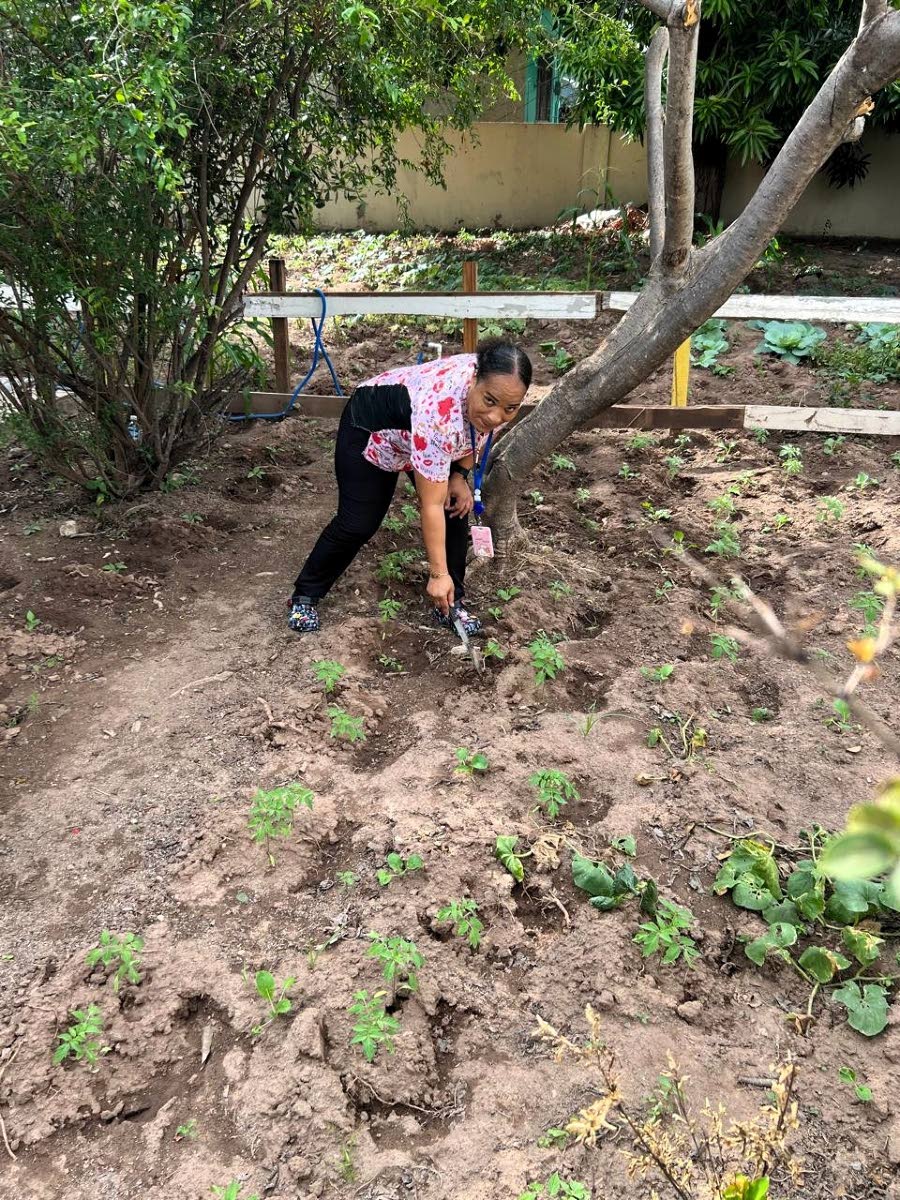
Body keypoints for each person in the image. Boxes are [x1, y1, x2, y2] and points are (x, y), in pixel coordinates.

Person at [288, 339, 532, 635]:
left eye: (510, 408)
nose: (497, 416)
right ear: (473, 379)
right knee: (358, 523)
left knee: (453, 507)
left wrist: (459, 476)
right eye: (490, 401)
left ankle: (452, 605)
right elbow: (429, 504)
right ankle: (305, 596)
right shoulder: (438, 415)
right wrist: (437, 573)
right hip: (372, 431)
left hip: (417, 435)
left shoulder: (499, 389)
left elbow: (479, 431)